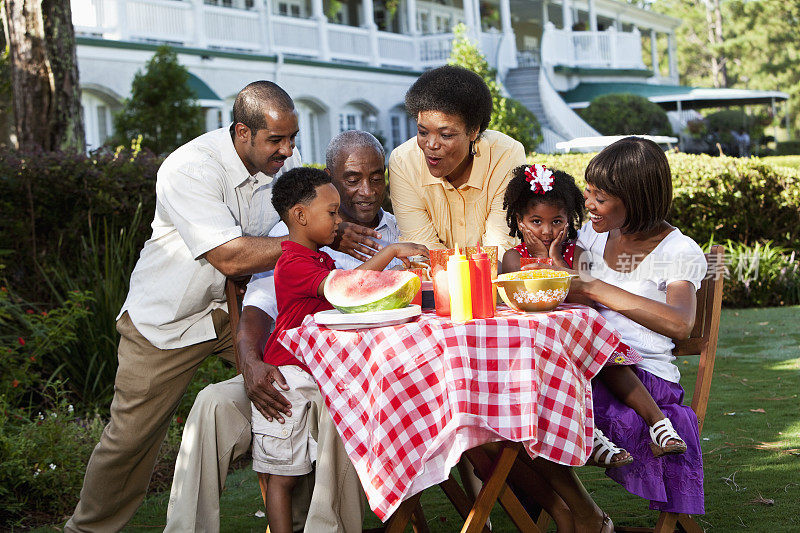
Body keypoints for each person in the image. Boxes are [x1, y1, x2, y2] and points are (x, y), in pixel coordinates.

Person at [64, 81, 306, 533]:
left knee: (299, 389)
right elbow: (231, 256)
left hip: (237, 312)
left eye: (293, 138)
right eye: (276, 140)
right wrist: (309, 241)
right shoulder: (190, 168)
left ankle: (307, 520)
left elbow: (262, 256)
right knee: (129, 441)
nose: (288, 151)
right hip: (167, 321)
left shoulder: (275, 171)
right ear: (241, 133)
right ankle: (86, 530)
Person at [165, 130, 401, 533]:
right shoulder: (294, 236)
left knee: (337, 405)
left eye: (377, 177)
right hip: (294, 373)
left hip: (357, 381)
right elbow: (258, 308)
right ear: (330, 179)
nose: (366, 190)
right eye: (352, 178)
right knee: (212, 402)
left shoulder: (395, 231)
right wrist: (252, 363)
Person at [253, 166, 426, 533]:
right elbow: (350, 286)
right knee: (282, 475)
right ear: (300, 216)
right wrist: (392, 250)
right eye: (331, 213)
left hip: (311, 375)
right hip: (288, 380)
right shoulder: (293, 262)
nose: (338, 221)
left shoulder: (318, 257)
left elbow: (351, 294)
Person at [568, 137, 707, 516]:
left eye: (601, 197)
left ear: (636, 199)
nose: (588, 203)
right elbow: (573, 293)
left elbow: (680, 322)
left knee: (540, 402)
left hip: (645, 376)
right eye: (589, 191)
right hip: (588, 365)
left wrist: (596, 286)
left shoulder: (678, 251)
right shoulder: (592, 235)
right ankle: (561, 510)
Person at [388, 65, 527, 256]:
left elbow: (500, 246)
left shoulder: (506, 154)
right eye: (422, 132)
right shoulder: (403, 162)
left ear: (474, 131)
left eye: (445, 135)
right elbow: (422, 250)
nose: (431, 144)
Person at [501, 163, 584, 272]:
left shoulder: (578, 254)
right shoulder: (513, 257)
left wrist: (556, 258)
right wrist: (541, 257)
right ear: (520, 221)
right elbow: (530, 288)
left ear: (567, 220)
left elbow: (580, 287)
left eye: (556, 222)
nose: (547, 231)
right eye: (536, 221)